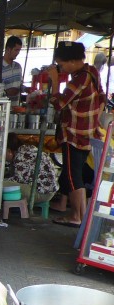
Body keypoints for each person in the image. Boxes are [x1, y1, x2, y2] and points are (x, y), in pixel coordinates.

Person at [46, 41, 105, 227]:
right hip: (87, 133)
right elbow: (102, 98)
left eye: (61, 65)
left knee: (73, 176)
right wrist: (93, 119)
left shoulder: (80, 79)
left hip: (74, 134)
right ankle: (81, 216)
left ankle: (77, 217)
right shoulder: (92, 72)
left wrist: (55, 81)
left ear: (72, 61)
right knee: (74, 174)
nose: (61, 68)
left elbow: (59, 103)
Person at [3, 133, 59, 211]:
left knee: (0, 185)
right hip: (48, 191)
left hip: (41, 193)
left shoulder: (20, 156)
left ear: (9, 151)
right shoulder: (27, 149)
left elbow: (18, 180)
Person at [2, 36, 23, 100]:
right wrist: (7, 92)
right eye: (16, 50)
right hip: (1, 107)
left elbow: (20, 85)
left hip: (16, 107)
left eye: (19, 50)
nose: (18, 53)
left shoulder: (18, 67)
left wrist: (26, 89)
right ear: (8, 49)